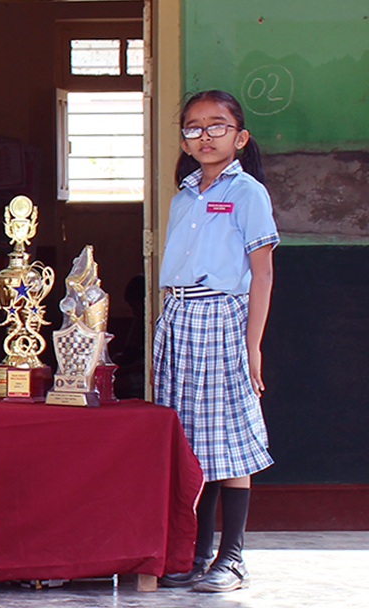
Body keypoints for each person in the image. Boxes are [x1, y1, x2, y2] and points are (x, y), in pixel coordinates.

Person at [152, 90, 275, 594]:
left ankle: (232, 556)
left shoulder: (247, 193)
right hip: (178, 316)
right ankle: (195, 550)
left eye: (216, 126)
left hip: (223, 317)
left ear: (240, 137)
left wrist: (254, 345)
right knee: (188, 443)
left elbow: (263, 273)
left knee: (228, 439)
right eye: (193, 127)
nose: (204, 136)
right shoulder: (184, 194)